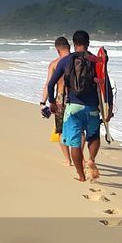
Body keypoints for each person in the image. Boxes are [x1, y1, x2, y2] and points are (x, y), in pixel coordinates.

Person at [45, 30, 104, 181]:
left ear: (74, 44)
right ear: (88, 43)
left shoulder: (66, 61)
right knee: (94, 136)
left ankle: (81, 176)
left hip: (72, 108)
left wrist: (51, 102)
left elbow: (51, 84)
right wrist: (107, 108)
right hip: (92, 107)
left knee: (75, 143)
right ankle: (91, 159)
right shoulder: (96, 60)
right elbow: (105, 87)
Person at [38, 36, 72, 167]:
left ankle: (68, 160)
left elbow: (48, 84)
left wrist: (43, 103)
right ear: (69, 47)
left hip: (60, 99)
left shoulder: (54, 64)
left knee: (61, 130)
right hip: (77, 98)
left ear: (58, 50)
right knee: (79, 130)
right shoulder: (78, 60)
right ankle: (80, 157)